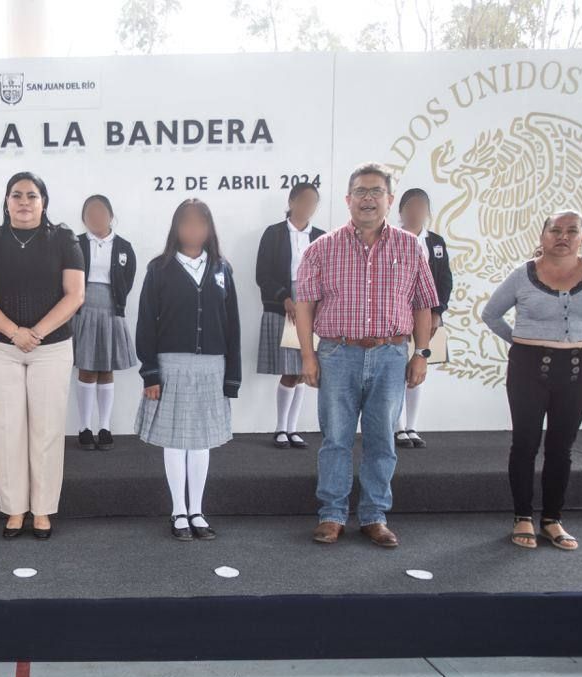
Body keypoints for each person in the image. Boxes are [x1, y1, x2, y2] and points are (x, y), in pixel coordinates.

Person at [294, 163, 439, 549]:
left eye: (376, 192)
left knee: (382, 441)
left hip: (392, 354)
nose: (368, 199)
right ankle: (332, 515)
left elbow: (424, 305)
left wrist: (421, 354)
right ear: (348, 200)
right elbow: (305, 306)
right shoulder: (321, 249)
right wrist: (308, 356)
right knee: (336, 439)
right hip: (338, 353)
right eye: (360, 192)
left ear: (390, 200)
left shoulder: (411, 247)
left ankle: (375, 515)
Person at [481, 210, 582, 551]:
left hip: (580, 366)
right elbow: (490, 313)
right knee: (525, 443)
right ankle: (522, 516)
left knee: (561, 447)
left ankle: (552, 519)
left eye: (571, 230)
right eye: (555, 230)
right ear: (543, 235)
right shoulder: (523, 274)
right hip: (528, 367)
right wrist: (522, 341)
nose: (563, 236)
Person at [0, 171, 86, 540]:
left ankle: (42, 510)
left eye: (31, 195)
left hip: (50, 348)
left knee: (47, 429)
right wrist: (14, 332)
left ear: (44, 201)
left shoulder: (64, 238)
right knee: (7, 429)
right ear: (5, 201)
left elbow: (75, 295)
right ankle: (15, 509)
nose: (23, 201)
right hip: (1, 347)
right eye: (16, 195)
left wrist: (35, 333)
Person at [135, 199, 241, 541]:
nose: (193, 230)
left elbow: (232, 325)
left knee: (201, 444)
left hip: (212, 368)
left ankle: (197, 509)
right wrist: (150, 373)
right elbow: (145, 324)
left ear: (209, 229)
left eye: (200, 223)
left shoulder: (222, 269)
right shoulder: (159, 269)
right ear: (175, 228)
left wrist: (232, 377)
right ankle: (178, 511)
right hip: (171, 367)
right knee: (175, 441)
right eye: (186, 223)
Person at [254, 182, 324, 449]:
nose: (307, 207)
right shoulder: (273, 234)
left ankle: (293, 429)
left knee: (303, 370)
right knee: (289, 370)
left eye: (313, 202)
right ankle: (281, 428)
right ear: (292, 201)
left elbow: (327, 276)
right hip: (282, 304)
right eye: (303, 201)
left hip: (312, 305)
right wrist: (285, 297)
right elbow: (262, 274)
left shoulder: (321, 237)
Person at [72, 194, 139, 451]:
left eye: (101, 212)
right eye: (90, 213)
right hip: (83, 309)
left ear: (111, 215)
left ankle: (105, 427)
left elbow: (128, 279)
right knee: (87, 368)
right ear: (84, 218)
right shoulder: (75, 244)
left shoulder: (124, 246)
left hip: (111, 309)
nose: (96, 217)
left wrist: (116, 302)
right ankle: (85, 427)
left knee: (106, 368)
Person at [394, 188, 452, 449]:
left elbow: (444, 280)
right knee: (395, 370)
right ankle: (396, 426)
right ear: (401, 210)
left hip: (428, 316)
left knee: (418, 368)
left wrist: (437, 312)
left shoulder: (436, 242)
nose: (416, 211)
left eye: (421, 206)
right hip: (397, 317)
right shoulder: (391, 238)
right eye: (411, 206)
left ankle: (412, 426)